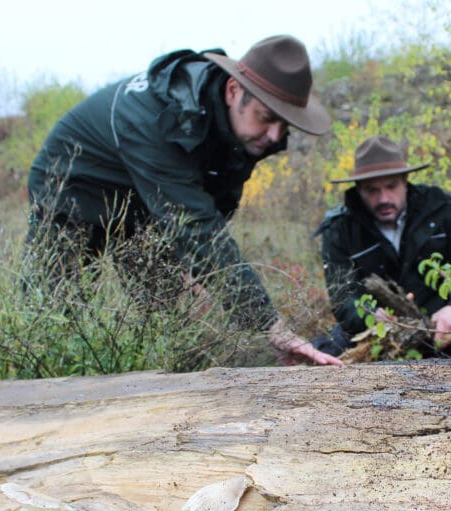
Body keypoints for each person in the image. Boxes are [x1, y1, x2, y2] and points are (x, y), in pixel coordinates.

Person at [26, 35, 341, 366]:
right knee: (51, 319)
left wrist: (191, 267)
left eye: (284, 123)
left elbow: (215, 207)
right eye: (266, 117)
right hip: (70, 190)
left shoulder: (241, 128)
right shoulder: (155, 119)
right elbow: (197, 226)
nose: (275, 135)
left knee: (164, 317)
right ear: (234, 91)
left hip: (145, 205)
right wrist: (270, 324)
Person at [314, 135, 451, 357]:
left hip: (438, 325)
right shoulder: (340, 229)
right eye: (372, 190)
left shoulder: (439, 210)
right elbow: (342, 299)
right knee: (328, 351)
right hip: (376, 331)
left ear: (405, 180)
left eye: (391, 186)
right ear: (358, 188)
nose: (383, 198)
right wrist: (371, 316)